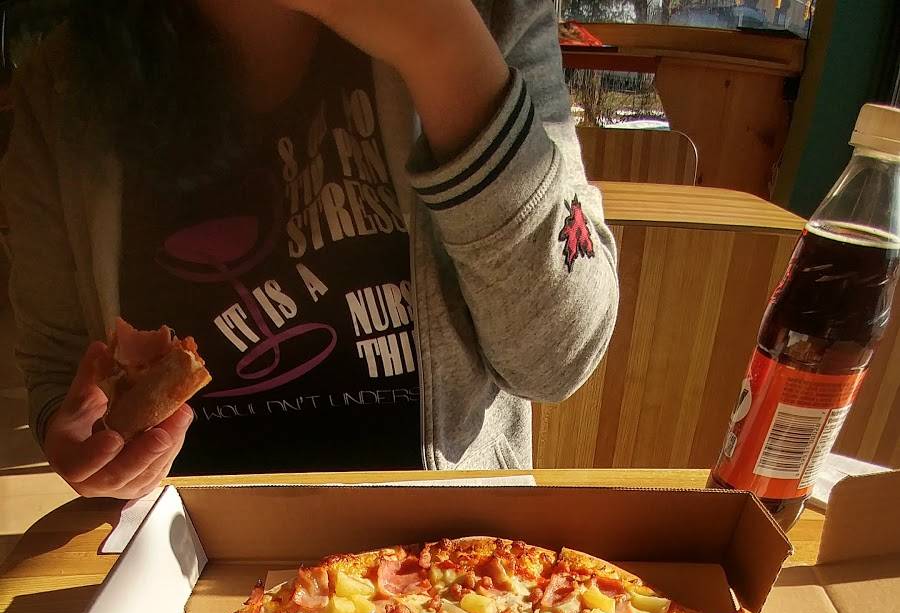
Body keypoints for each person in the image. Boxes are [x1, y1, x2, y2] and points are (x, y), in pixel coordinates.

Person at [3, 0, 618, 498]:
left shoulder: (490, 16)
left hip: (445, 571)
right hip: (181, 563)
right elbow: (60, 363)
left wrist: (444, 47)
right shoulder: (61, 84)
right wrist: (86, 439)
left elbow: (555, 360)